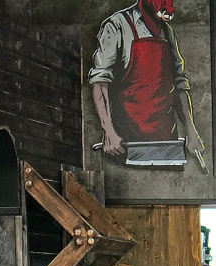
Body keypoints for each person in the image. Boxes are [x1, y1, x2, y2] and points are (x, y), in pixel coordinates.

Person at [88, 0, 207, 171]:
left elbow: (179, 85)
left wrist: (191, 132)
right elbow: (100, 82)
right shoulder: (117, 26)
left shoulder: (167, 32)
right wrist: (108, 131)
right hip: (125, 146)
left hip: (167, 147)